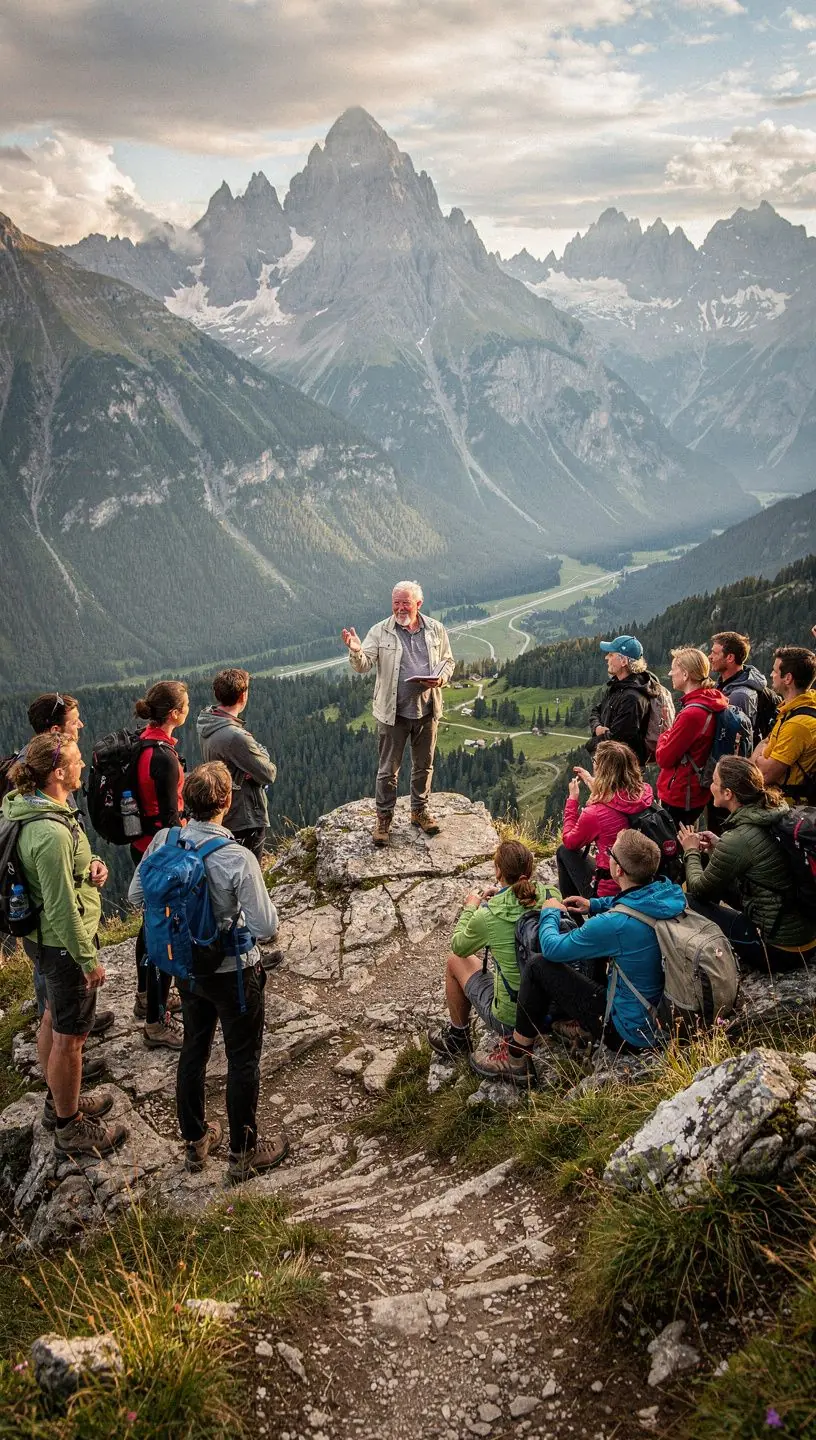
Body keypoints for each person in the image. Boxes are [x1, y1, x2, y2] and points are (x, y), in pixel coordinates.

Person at [128, 762, 287, 1181]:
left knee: (194, 1049)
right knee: (242, 1059)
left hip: (187, 969)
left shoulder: (165, 839)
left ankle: (196, 1142)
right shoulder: (236, 857)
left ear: (188, 803)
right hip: (234, 973)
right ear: (226, 803)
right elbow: (265, 928)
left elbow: (136, 893)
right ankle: (242, 1152)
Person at [472, 831, 684, 1083]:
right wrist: (594, 905)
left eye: (610, 854)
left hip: (629, 1032)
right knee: (594, 947)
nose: (606, 857)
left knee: (538, 966)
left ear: (618, 871)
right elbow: (634, 900)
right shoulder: (669, 894)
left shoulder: (613, 925)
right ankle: (578, 1024)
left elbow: (552, 949)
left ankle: (517, 1057)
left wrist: (550, 911)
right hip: (660, 1012)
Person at [1, 735, 127, 1156]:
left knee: (53, 1019)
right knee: (71, 1039)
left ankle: (58, 1102)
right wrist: (88, 959)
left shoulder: (26, 808)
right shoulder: (50, 833)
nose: (82, 767)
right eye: (75, 761)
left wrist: (90, 867)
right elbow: (59, 908)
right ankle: (70, 1126)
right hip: (63, 946)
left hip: (40, 942)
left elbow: (53, 878)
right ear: (58, 773)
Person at [10, 692, 114, 1037]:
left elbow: (68, 834)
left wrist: (92, 860)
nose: (81, 725)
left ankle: (61, 1017)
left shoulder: (35, 778)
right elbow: (58, 901)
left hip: (44, 920)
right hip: (55, 933)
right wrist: (88, 960)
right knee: (61, 1015)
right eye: (74, 721)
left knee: (56, 996)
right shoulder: (51, 776)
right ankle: (63, 1035)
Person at [342, 581, 455, 846]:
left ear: (419, 604)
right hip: (393, 714)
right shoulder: (380, 631)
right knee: (387, 770)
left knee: (423, 766)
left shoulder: (436, 629)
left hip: (427, 710)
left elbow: (448, 661)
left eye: (405, 602)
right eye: (396, 602)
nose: (400, 608)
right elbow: (363, 666)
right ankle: (384, 819)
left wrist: (441, 680)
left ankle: (419, 811)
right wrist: (356, 651)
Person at [680, 756, 816, 970]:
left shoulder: (738, 838)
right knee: (719, 881)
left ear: (728, 794)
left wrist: (691, 852)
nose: (710, 785)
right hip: (805, 937)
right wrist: (719, 848)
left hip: (778, 951)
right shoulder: (774, 811)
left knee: (685, 900)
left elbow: (700, 891)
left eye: (715, 781)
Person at [427, 841, 558, 1058]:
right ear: (529, 869)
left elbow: (459, 946)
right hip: (552, 1008)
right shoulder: (551, 895)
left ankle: (457, 1038)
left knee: (454, 960)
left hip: (513, 1019)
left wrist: (470, 907)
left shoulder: (488, 915)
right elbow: (526, 899)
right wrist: (505, 893)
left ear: (498, 871)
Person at [130, 681, 189, 1047]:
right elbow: (169, 819)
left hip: (141, 844)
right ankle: (156, 1021)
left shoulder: (143, 741)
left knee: (150, 925)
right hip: (160, 850)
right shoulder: (164, 757)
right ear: (174, 714)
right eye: (185, 705)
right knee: (163, 933)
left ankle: (143, 996)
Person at [197, 669, 277, 866]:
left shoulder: (209, 721)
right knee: (248, 874)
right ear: (243, 695)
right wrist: (260, 753)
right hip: (244, 816)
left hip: (226, 812)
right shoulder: (235, 736)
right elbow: (268, 773)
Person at [556, 740, 655, 900]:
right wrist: (590, 780)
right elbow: (616, 798)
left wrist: (572, 801)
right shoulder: (644, 794)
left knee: (564, 851)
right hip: (642, 881)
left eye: (595, 761)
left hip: (609, 892)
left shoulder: (595, 814)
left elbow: (570, 841)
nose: (593, 764)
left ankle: (574, 913)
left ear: (603, 771)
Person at [655, 647, 728, 827]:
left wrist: (665, 732)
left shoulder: (692, 714)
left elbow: (664, 758)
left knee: (670, 844)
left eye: (674, 669)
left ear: (686, 674)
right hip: (696, 789)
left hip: (680, 793)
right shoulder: (711, 700)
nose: (670, 673)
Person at [753, 647, 816, 803]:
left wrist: (758, 754)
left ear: (787, 678)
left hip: (789, 809)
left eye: (774, 671)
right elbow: (765, 744)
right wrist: (763, 752)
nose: (771, 675)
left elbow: (763, 775)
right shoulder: (791, 710)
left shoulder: (798, 724)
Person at [709, 633, 770, 745]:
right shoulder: (724, 684)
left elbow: (736, 741)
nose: (710, 657)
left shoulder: (740, 696)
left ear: (730, 658)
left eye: (714, 653)